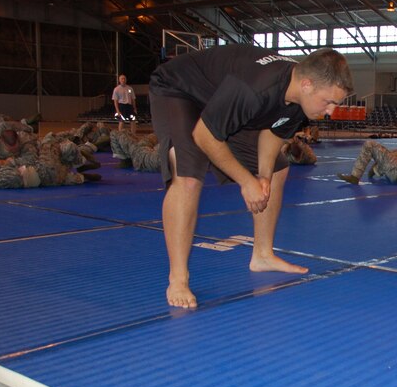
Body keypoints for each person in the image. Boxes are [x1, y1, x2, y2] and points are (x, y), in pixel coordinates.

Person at [148, 45, 353, 309]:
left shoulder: (298, 99)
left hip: (221, 99)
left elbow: (273, 133)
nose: (331, 112)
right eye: (329, 102)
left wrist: (263, 176)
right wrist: (247, 182)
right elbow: (204, 136)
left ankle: (262, 255)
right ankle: (178, 278)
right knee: (188, 174)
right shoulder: (257, 88)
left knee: (278, 168)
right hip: (179, 89)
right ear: (306, 85)